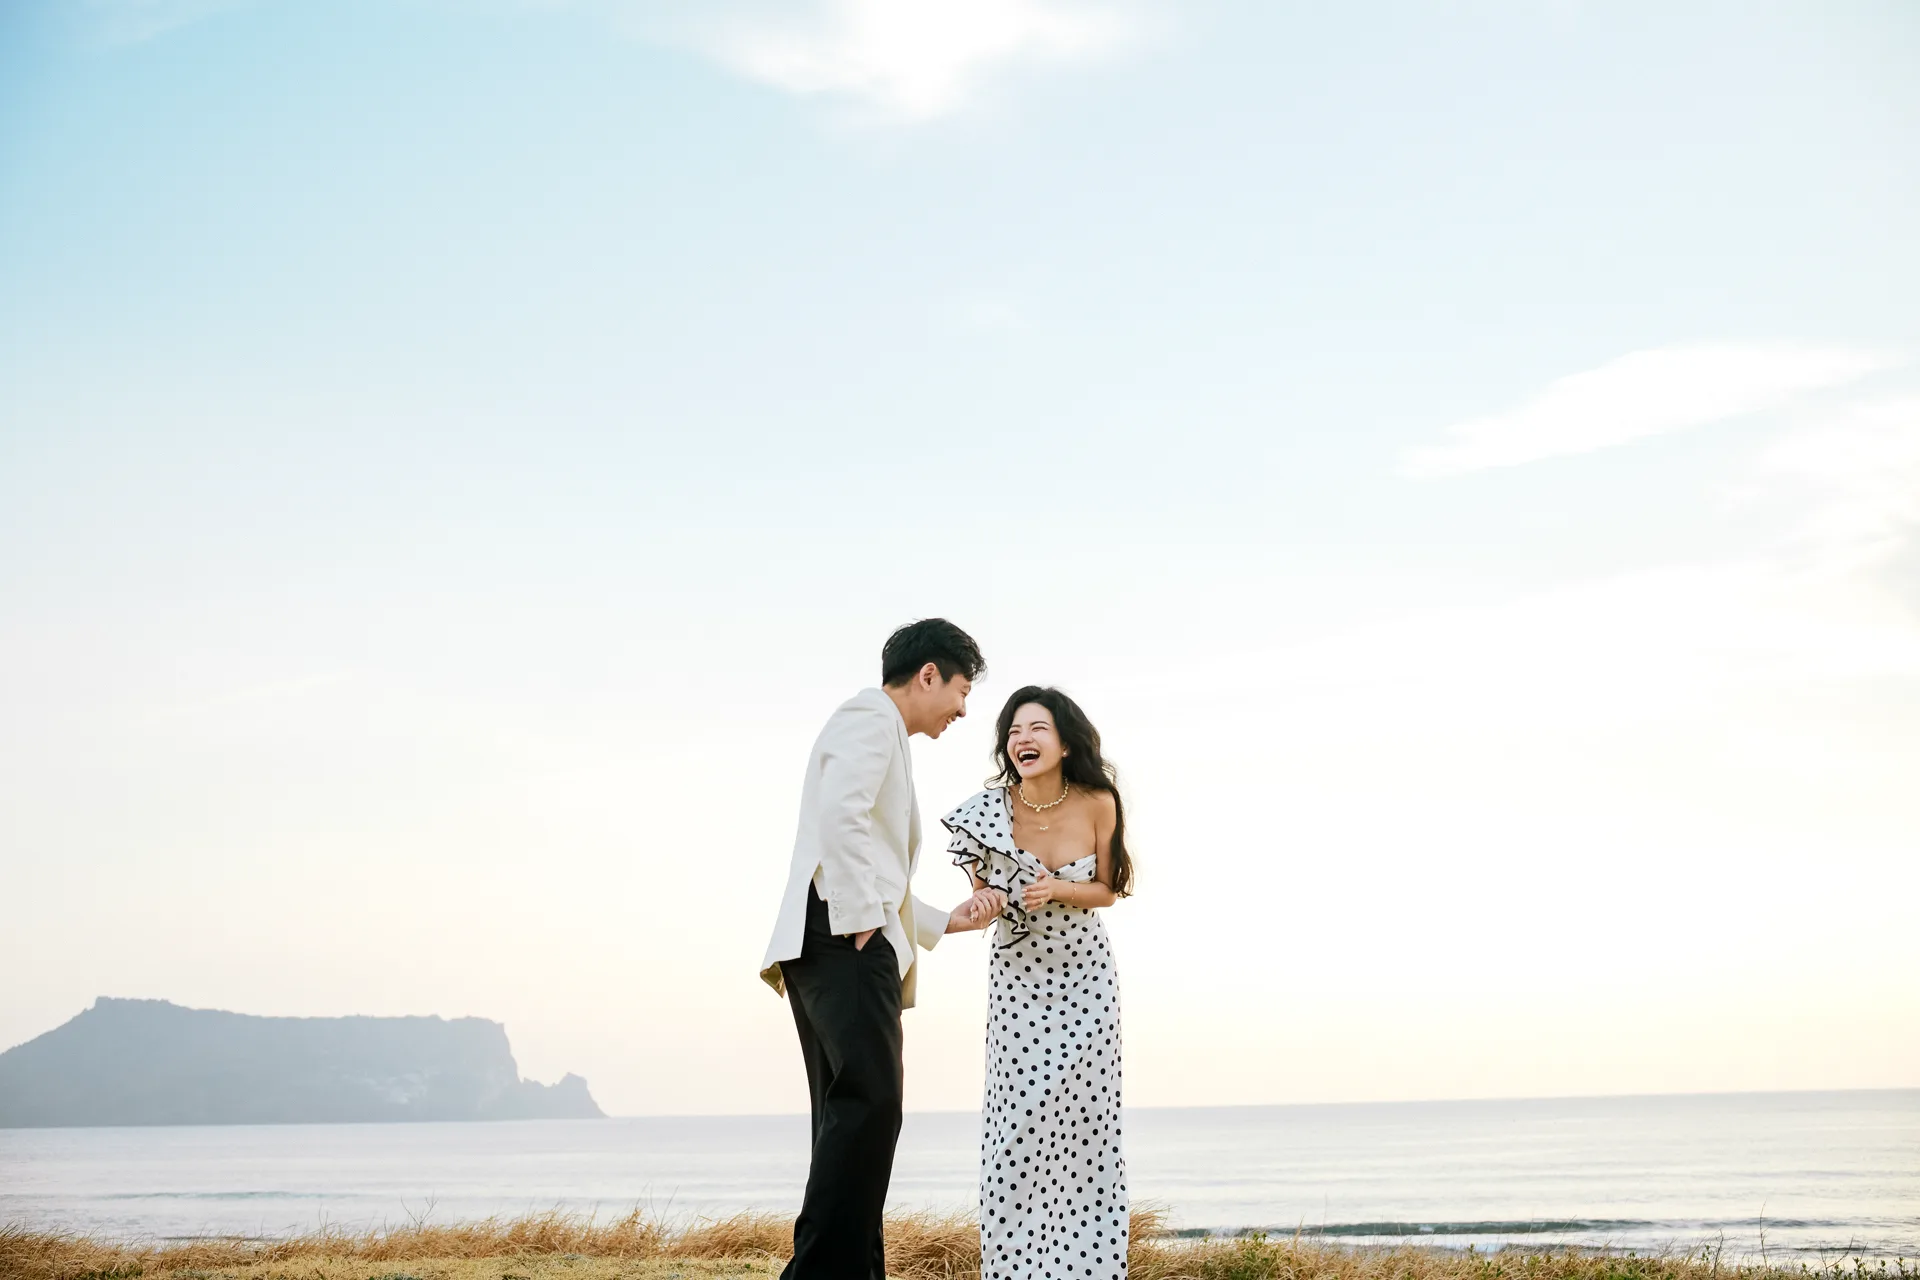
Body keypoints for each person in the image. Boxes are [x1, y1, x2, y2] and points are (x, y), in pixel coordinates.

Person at [760, 618, 1008, 1280]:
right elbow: (840, 814)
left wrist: (945, 921)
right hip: (842, 936)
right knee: (869, 1107)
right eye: (961, 690)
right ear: (929, 674)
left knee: (851, 1117)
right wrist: (863, 921)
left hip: (837, 931)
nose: (962, 708)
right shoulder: (870, 716)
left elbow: (873, 863)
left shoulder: (879, 728)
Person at [942, 685, 1134, 1280]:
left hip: (1087, 979)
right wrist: (986, 901)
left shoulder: (1099, 802)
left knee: (1085, 1125)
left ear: (1065, 739)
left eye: (1037, 728)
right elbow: (982, 895)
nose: (1022, 739)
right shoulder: (985, 813)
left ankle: (1089, 1268)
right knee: (1018, 1124)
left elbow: (1110, 888)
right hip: (1019, 978)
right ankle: (1015, 1267)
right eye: (1014, 730)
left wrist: (1057, 889)